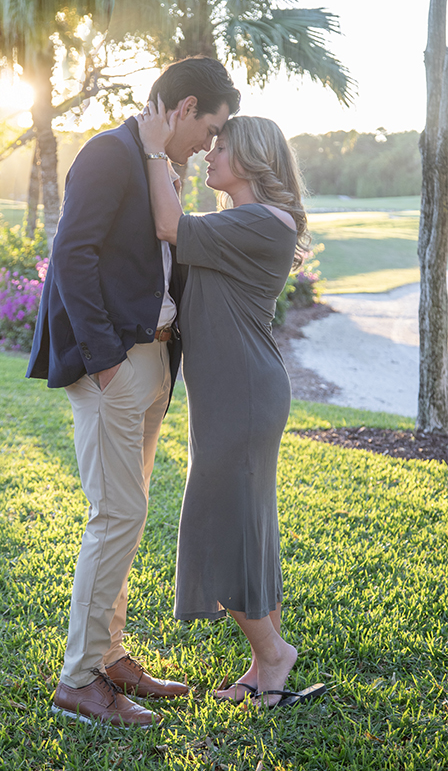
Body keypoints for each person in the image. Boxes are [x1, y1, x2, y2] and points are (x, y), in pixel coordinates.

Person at [25, 56, 240, 727]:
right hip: (114, 365)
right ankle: (79, 679)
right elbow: (72, 256)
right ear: (184, 108)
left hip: (152, 361)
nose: (211, 143)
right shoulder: (107, 155)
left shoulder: (156, 164)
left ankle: (111, 656)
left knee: (129, 513)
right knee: (115, 515)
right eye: (210, 128)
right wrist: (105, 360)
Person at [137, 103, 326, 709]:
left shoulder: (267, 222)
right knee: (242, 521)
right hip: (228, 394)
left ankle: (274, 656)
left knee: (219, 524)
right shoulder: (242, 220)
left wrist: (152, 149)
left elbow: (170, 226)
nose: (209, 154)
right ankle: (266, 658)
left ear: (249, 157)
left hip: (243, 394)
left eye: (220, 146)